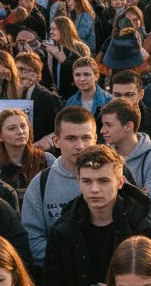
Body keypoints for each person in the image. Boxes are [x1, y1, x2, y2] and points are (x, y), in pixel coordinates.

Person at [42, 145, 151, 286]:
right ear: (78, 182)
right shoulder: (63, 230)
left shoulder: (143, 226)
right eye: (87, 181)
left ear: (120, 182)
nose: (94, 189)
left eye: (103, 181)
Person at [22, 105, 97, 265]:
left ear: (95, 139)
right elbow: (33, 239)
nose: (80, 146)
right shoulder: (41, 183)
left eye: (86, 138)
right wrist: (72, 264)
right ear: (56, 141)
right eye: (71, 138)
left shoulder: (114, 178)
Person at [100, 99, 151, 201]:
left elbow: (148, 204)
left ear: (128, 126)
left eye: (109, 125)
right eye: (103, 125)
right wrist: (139, 192)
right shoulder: (102, 155)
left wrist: (125, 186)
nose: (102, 130)